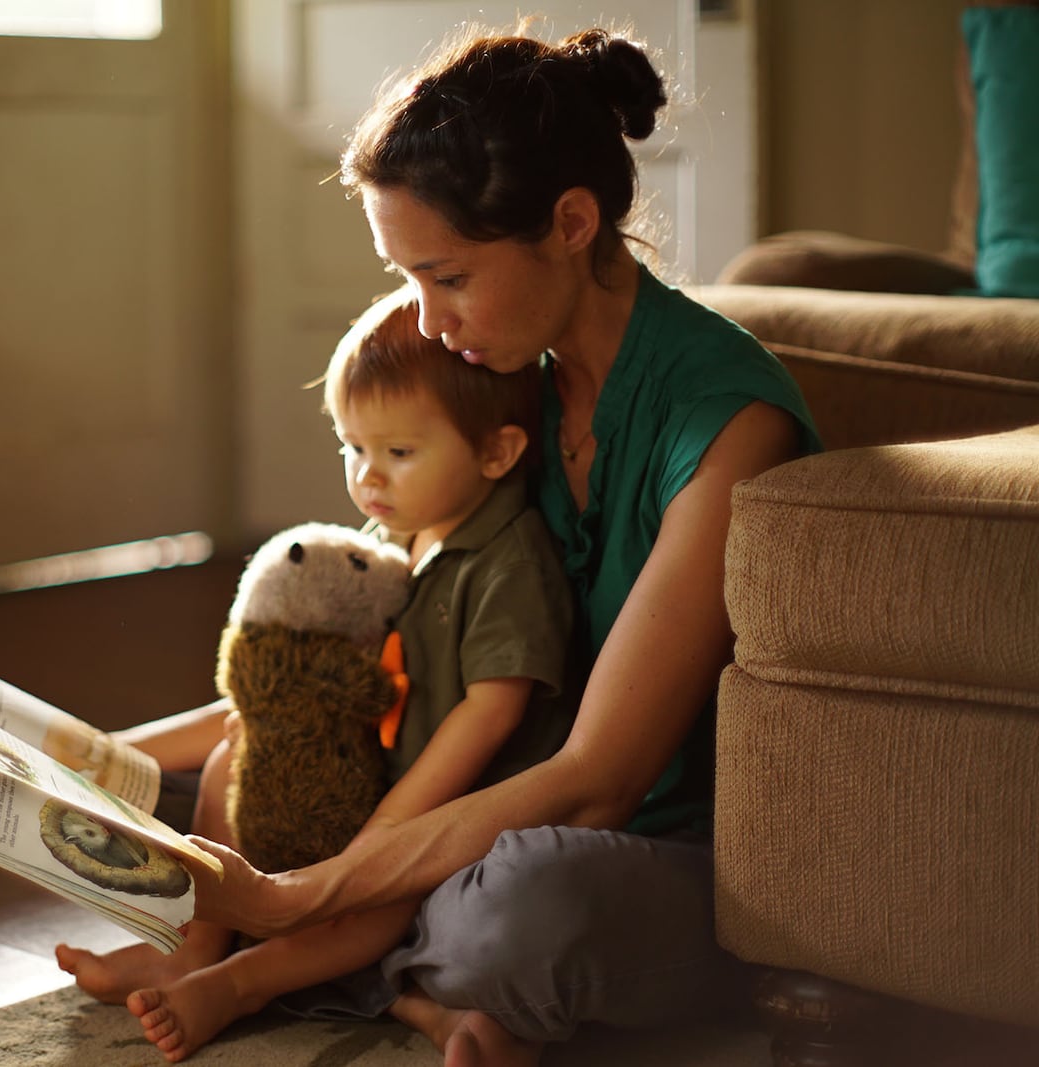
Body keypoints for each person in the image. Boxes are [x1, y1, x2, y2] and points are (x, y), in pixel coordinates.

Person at [90, 21, 822, 1067]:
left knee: (516, 910)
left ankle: (310, 946)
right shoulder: (497, 366)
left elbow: (596, 781)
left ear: (570, 222)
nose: (424, 320)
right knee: (204, 786)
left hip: (646, 852)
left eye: (446, 276)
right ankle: (382, 966)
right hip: (467, 794)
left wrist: (300, 886)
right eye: (407, 278)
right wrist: (91, 755)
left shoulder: (728, 426)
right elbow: (396, 643)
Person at [58, 285, 577, 1062]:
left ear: (498, 452)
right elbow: (273, 699)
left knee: (369, 909)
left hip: (449, 818)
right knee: (240, 758)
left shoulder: (509, 561)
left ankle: (241, 982)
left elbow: (492, 712)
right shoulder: (392, 543)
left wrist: (384, 837)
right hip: (368, 789)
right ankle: (198, 945)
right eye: (352, 447)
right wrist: (108, 750)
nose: (368, 476)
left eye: (398, 453)